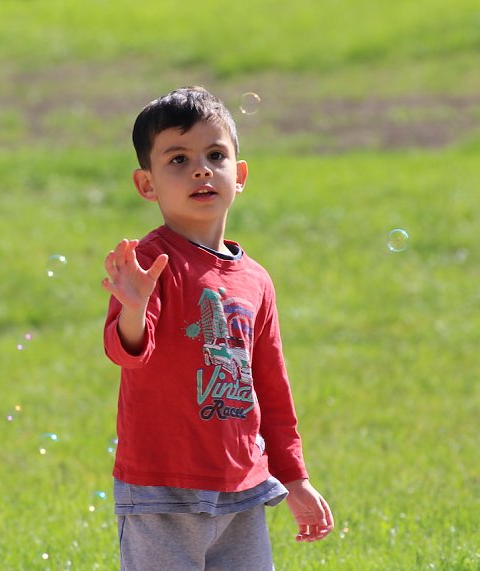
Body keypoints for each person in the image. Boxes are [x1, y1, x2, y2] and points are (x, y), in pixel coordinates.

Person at [101, 86, 333, 570]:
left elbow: (270, 388)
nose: (201, 169)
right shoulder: (149, 263)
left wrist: (294, 477)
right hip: (161, 489)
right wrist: (134, 307)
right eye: (178, 160)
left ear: (239, 174)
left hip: (242, 487)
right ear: (147, 185)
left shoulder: (256, 280)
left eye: (214, 155)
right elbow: (126, 352)